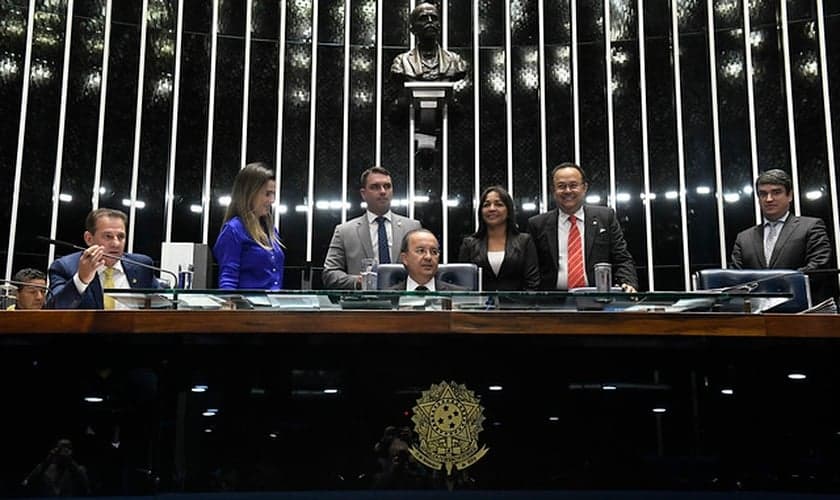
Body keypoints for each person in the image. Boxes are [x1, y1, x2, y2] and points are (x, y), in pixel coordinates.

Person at [527, 163, 639, 291]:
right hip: (553, 301)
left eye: (573, 185)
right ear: (553, 190)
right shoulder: (537, 224)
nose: (568, 191)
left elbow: (622, 259)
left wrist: (628, 283)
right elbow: (531, 269)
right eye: (561, 186)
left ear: (584, 188)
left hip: (598, 298)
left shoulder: (605, 217)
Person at [731, 169, 835, 303]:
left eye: (776, 192)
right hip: (756, 315)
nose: (769, 199)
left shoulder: (811, 226)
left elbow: (819, 268)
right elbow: (735, 278)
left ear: (790, 195)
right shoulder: (744, 238)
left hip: (801, 311)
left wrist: (774, 284)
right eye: (763, 194)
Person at [322, 166, 421, 289]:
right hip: (363, 304)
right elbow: (330, 273)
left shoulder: (412, 227)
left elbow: (423, 268)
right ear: (364, 194)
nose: (383, 191)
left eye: (387, 186)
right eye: (375, 187)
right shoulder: (344, 231)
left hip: (404, 303)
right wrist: (359, 281)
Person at [47, 209, 161, 309]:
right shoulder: (65, 267)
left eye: (121, 237)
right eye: (108, 236)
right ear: (89, 239)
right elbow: (54, 309)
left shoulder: (141, 265)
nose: (116, 243)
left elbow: (163, 303)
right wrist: (81, 279)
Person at [213, 162, 285, 290]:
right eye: (267, 194)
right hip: (247, 307)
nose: (272, 200)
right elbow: (228, 278)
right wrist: (230, 306)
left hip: (273, 306)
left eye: (273, 194)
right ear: (250, 193)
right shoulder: (234, 230)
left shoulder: (271, 230)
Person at [457, 186, 540, 291]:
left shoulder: (524, 241)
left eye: (499, 204)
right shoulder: (469, 244)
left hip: (518, 306)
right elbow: (464, 283)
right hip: (480, 305)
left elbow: (532, 282)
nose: (492, 208)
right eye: (486, 205)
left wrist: (521, 306)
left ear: (509, 210)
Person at [390, 2, 468, 83]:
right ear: (413, 29)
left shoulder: (455, 61)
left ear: (439, 27)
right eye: (423, 18)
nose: (430, 21)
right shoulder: (401, 62)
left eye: (434, 18)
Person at [387, 229, 465, 291]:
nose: (428, 257)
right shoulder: (386, 297)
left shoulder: (457, 296)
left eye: (434, 252)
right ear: (404, 258)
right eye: (421, 251)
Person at [22, 438, 90, 496]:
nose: (63, 452)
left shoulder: (79, 469)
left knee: (81, 470)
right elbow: (27, 484)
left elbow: (85, 487)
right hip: (47, 495)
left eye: (67, 448)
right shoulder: (44, 468)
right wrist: (49, 459)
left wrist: (69, 460)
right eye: (61, 448)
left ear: (71, 451)